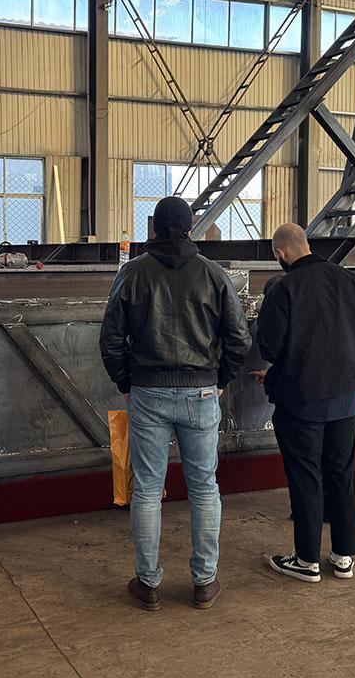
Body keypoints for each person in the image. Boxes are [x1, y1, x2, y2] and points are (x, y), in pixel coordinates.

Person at [100, 196, 252, 611]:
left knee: (148, 490)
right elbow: (239, 339)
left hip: (147, 392)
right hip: (200, 393)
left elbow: (110, 338)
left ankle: (148, 583)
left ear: (154, 228)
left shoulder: (132, 273)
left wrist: (126, 382)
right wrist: (219, 381)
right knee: (204, 488)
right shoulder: (213, 273)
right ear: (190, 227)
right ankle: (204, 582)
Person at [253, 223, 355, 584]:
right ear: (306, 245)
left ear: (280, 253)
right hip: (344, 399)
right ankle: (343, 557)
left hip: (300, 401)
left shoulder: (284, 288)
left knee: (306, 477)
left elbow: (270, 347)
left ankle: (307, 560)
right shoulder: (353, 282)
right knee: (341, 474)